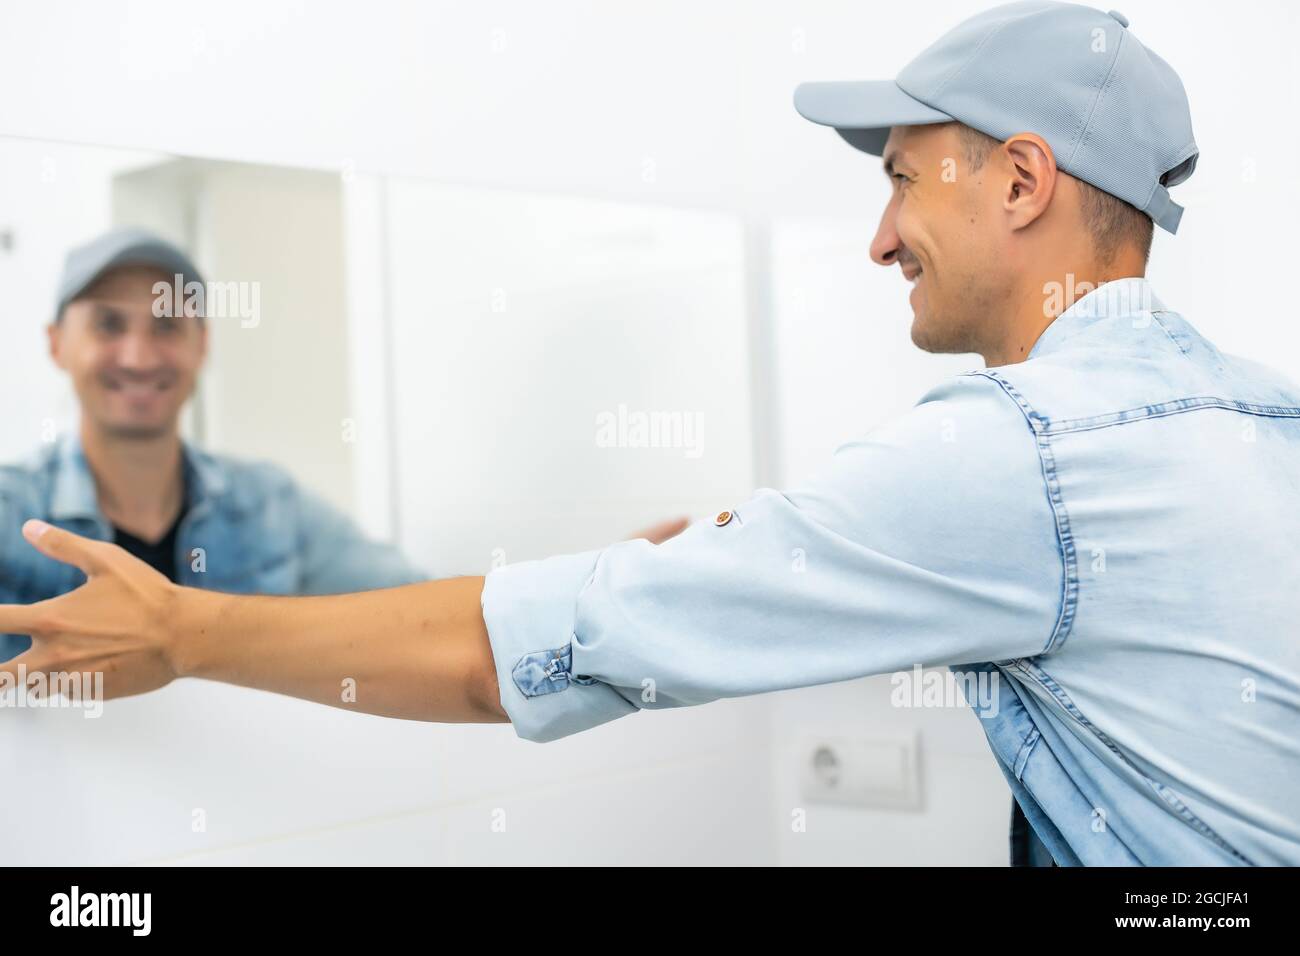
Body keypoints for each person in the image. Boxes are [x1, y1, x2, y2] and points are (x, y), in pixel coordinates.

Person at [2, 2, 1296, 866]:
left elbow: (485, 655)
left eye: (901, 176)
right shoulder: (1258, 417)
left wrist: (183, 632)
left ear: (1021, 182)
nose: (880, 235)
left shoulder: (1020, 458)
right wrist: (646, 586)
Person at [0, 227, 688, 661]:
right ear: (57, 344)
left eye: (167, 325)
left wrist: (589, 586)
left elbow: (419, 608)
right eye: (109, 325)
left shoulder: (268, 503)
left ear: (202, 343)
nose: (138, 353)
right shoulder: (11, 513)